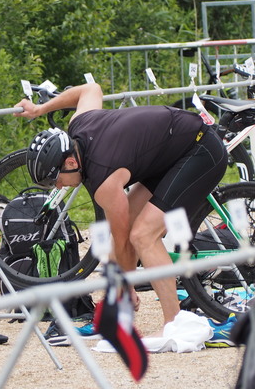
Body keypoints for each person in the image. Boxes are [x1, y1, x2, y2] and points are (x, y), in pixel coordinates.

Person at [14, 83, 228, 334]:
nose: (57, 186)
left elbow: (125, 240)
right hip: (171, 152)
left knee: (142, 235)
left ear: (71, 162)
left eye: (56, 179)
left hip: (199, 151)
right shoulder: (79, 126)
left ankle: (175, 323)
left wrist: (128, 286)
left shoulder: (104, 180)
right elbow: (90, 90)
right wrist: (40, 109)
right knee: (128, 233)